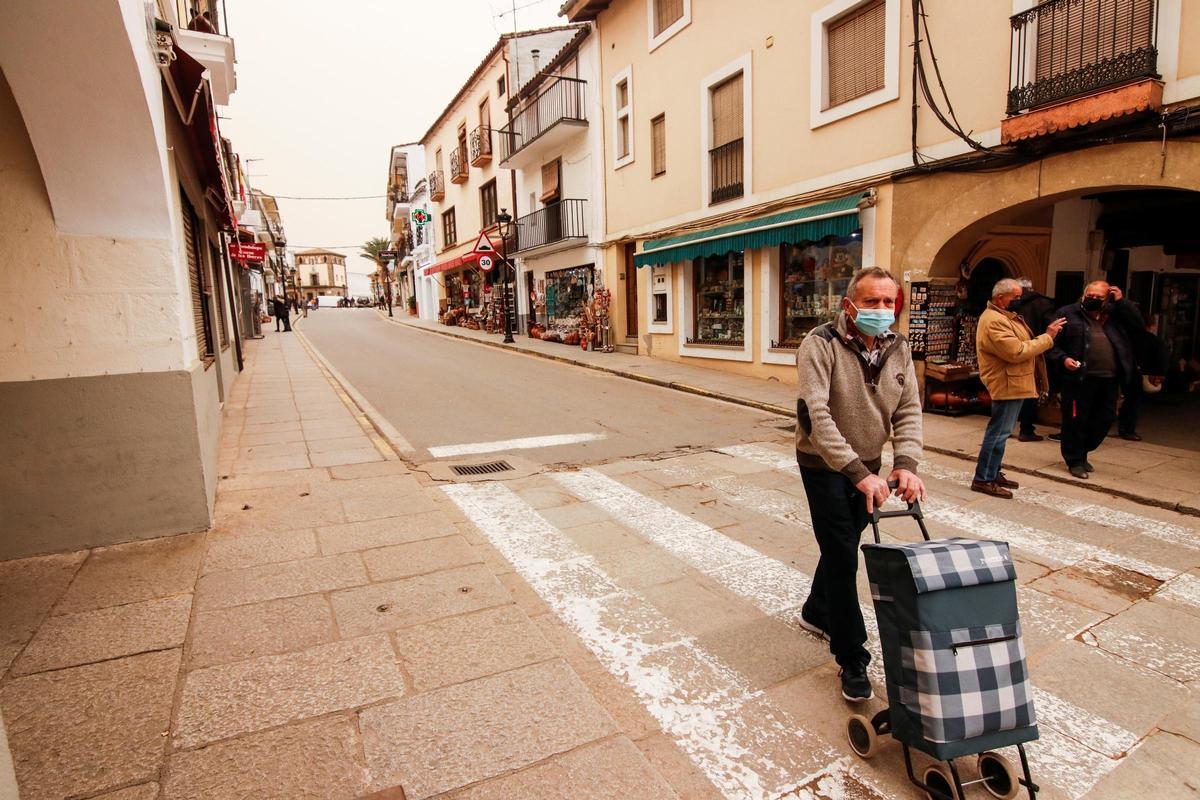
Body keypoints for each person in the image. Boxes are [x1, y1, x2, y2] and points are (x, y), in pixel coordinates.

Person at [794, 266, 926, 703]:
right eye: (872, 301)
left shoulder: (898, 347)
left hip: (869, 464)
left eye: (889, 302)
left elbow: (908, 409)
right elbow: (814, 414)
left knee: (843, 545)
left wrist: (905, 463)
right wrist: (857, 473)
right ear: (850, 305)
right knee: (842, 557)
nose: (882, 309)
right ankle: (852, 656)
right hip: (824, 464)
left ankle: (816, 610)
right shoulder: (820, 343)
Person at [971, 279, 1064, 498]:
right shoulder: (994, 320)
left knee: (1001, 432)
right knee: (998, 432)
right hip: (1007, 382)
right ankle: (983, 478)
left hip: (1012, 381)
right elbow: (1016, 351)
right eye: (1016, 296)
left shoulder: (1004, 316)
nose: (1020, 300)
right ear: (1000, 298)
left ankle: (992, 472)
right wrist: (1048, 337)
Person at [1047, 281, 1136, 479]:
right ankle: (1075, 460)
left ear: (1107, 299)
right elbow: (1050, 343)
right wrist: (1064, 359)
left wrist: (1122, 303)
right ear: (1083, 295)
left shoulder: (1115, 315)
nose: (1093, 300)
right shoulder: (1067, 314)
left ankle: (1084, 450)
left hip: (1109, 379)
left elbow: (1137, 326)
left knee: (1104, 418)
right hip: (1079, 379)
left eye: (1099, 297)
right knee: (1075, 420)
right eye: (1090, 296)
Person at [1111, 303, 1168, 441]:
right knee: (1133, 402)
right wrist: (1160, 374)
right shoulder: (1154, 340)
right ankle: (1128, 429)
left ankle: (1121, 426)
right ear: (1152, 325)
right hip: (1141, 374)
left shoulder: (1126, 337)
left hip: (1122, 371)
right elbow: (1161, 358)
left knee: (1123, 399)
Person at [1010, 277, 1057, 442]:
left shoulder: (1008, 304)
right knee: (1031, 390)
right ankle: (1026, 429)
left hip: (1011, 349)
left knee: (1010, 390)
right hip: (1034, 349)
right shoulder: (1042, 304)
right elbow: (1050, 327)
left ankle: (1006, 426)